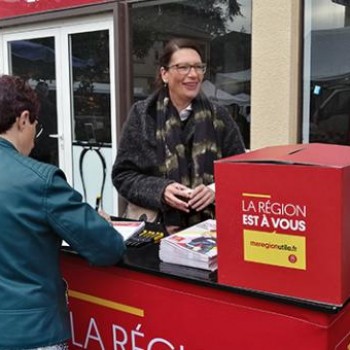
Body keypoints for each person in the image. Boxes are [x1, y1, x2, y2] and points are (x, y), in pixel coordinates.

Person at [0, 74, 125, 349]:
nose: (34, 139)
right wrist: (98, 222)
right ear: (23, 119)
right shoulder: (39, 180)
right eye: (36, 126)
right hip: (31, 334)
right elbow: (107, 248)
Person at [112, 38, 245, 233]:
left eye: (198, 67)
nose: (193, 74)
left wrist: (214, 191)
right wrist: (161, 190)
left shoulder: (220, 117)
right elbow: (123, 175)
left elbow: (240, 172)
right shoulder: (142, 115)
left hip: (211, 233)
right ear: (164, 74)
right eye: (183, 67)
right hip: (158, 232)